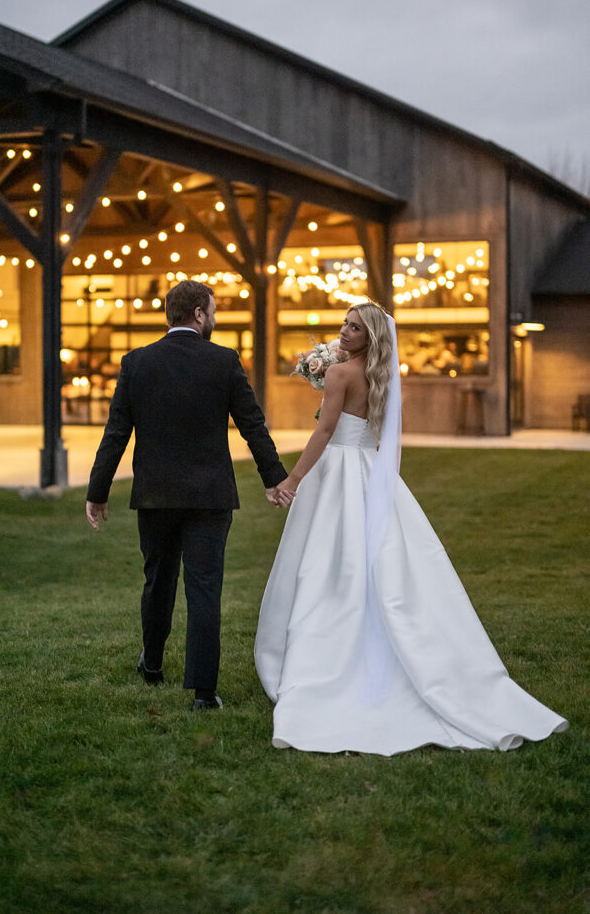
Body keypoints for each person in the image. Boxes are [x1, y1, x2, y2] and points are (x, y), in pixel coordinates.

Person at [255, 302, 568, 755]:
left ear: (370, 337)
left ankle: (324, 652)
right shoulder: (380, 377)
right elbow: (373, 432)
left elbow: (324, 433)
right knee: (375, 555)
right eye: (345, 323)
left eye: (354, 328)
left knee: (325, 559)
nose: (344, 332)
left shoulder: (341, 376)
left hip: (337, 470)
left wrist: (293, 479)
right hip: (367, 468)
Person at [86, 280, 291, 711]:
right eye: (212, 311)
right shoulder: (224, 361)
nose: (214, 319)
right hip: (210, 496)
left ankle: (154, 664)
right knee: (204, 589)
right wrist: (273, 478)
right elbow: (252, 425)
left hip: (155, 495)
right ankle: (202, 693)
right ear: (199, 313)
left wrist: (97, 491)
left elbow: (116, 432)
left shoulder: (136, 363)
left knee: (158, 580)